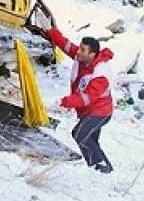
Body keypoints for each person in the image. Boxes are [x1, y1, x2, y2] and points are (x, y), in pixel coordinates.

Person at [43, 26, 115, 173]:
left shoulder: (101, 73)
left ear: (92, 54)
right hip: (90, 112)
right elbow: (66, 45)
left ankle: (99, 167)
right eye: (80, 48)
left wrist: (62, 102)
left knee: (80, 134)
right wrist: (50, 30)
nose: (78, 51)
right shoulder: (83, 58)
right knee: (91, 141)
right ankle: (105, 169)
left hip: (100, 113)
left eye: (83, 50)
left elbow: (85, 98)